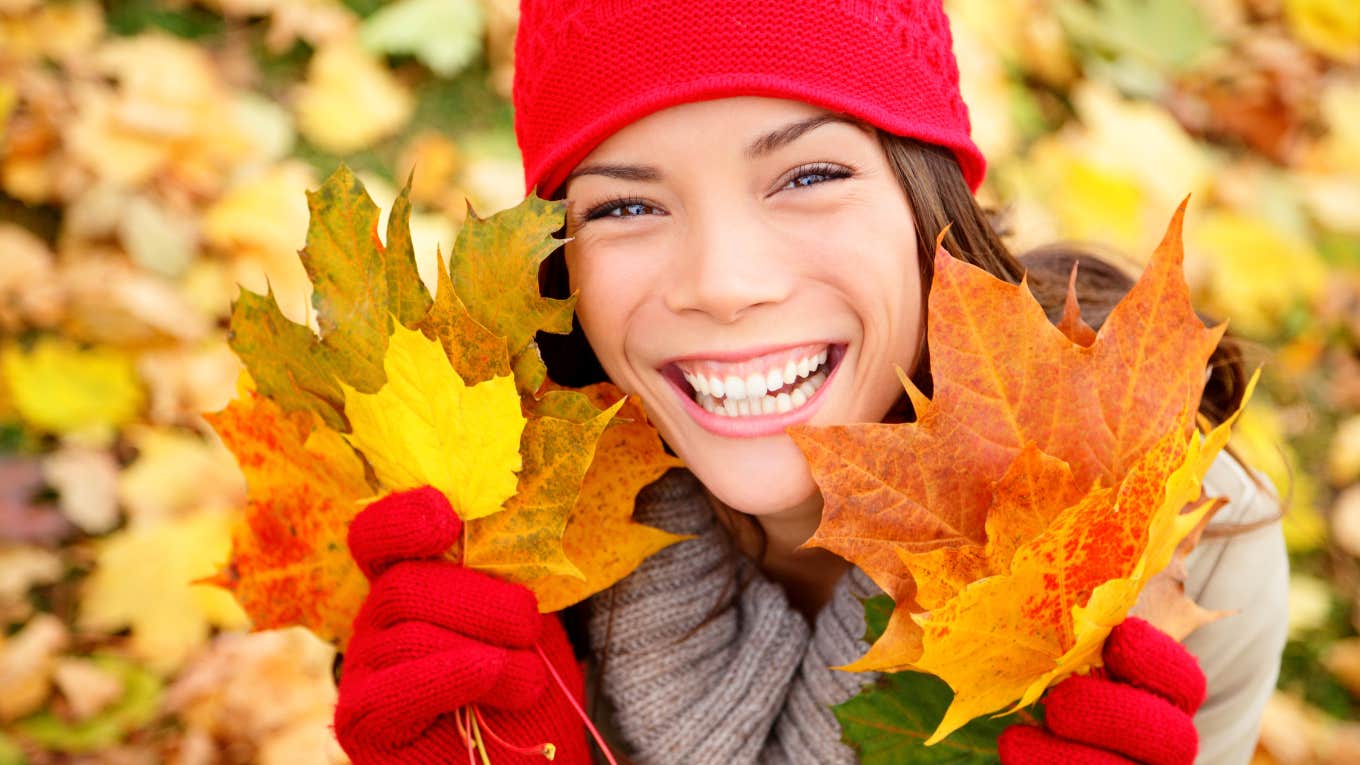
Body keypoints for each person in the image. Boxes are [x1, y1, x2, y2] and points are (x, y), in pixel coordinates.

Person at [331, 1, 1290, 763]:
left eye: (806, 176)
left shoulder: (1165, 544)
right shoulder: (478, 533)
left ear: (926, 200)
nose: (724, 282)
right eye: (626, 203)